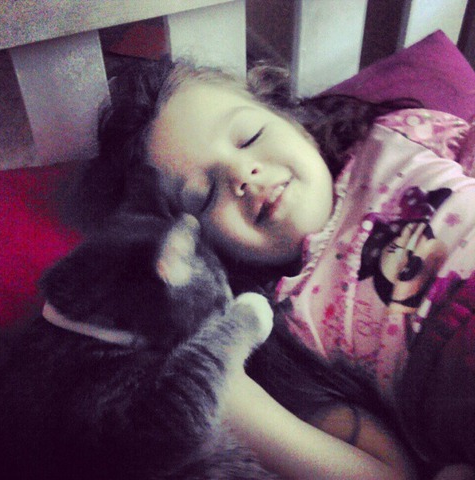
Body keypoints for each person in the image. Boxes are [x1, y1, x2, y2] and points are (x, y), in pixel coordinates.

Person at [70, 58, 475, 479]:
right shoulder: (280, 329)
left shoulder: (398, 138)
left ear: (292, 118)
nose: (242, 174)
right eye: (206, 195)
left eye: (250, 137)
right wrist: (226, 390)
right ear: (211, 250)